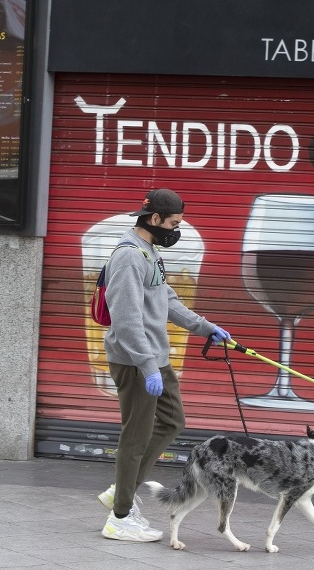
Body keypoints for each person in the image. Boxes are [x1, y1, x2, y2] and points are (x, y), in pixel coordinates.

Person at [97, 188, 231, 542]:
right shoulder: (127, 256)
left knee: (173, 421)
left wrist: (205, 327)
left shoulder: (149, 252)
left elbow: (166, 301)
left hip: (156, 356)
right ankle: (120, 516)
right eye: (172, 224)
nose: (176, 230)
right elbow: (125, 320)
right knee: (135, 436)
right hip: (135, 359)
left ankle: (120, 490)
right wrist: (146, 365)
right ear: (153, 219)